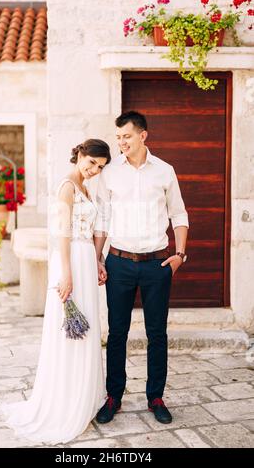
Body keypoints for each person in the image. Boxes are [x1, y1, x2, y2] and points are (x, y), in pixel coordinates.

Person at [0, 139, 111, 444]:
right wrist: (66, 273)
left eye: (99, 167)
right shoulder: (68, 187)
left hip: (86, 259)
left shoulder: (86, 187)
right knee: (69, 332)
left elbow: (91, 230)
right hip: (71, 259)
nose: (93, 170)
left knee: (86, 328)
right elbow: (62, 233)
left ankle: (85, 395)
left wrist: (97, 260)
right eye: (91, 163)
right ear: (80, 155)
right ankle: (65, 403)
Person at [94, 111, 189, 425]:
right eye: (118, 137)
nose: (121, 142)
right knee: (117, 333)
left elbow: (179, 214)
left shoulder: (164, 171)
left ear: (143, 135)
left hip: (156, 264)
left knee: (157, 334)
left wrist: (179, 255)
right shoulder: (110, 173)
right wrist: (98, 258)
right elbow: (103, 219)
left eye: (127, 136)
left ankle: (156, 397)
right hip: (119, 262)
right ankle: (114, 397)